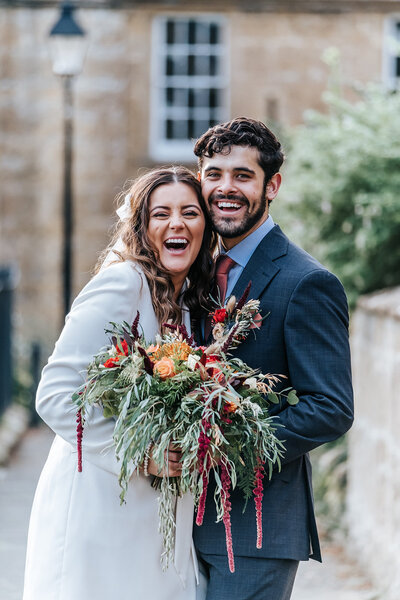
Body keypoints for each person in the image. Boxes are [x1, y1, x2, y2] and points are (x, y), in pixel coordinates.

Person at [23, 166, 215, 600]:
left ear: (205, 225)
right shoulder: (121, 283)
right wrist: (140, 455)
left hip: (157, 514)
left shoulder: (187, 304)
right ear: (142, 227)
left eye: (190, 212)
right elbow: (54, 394)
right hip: (99, 499)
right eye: (160, 214)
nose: (177, 224)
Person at [192, 117, 354, 600]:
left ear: (272, 185)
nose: (226, 188)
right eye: (214, 174)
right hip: (184, 520)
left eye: (242, 176)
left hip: (254, 529)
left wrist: (226, 445)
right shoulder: (195, 272)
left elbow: (330, 407)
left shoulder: (306, 282)